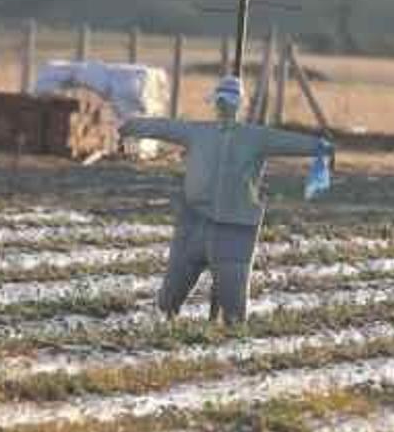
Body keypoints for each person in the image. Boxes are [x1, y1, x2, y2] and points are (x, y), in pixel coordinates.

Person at [119, 75, 333, 324]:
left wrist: (132, 125)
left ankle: (217, 332)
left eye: (224, 102)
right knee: (174, 290)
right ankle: (177, 322)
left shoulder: (230, 135)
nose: (223, 107)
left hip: (231, 227)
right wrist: (320, 145)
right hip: (201, 221)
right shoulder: (224, 134)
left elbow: (165, 127)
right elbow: (164, 127)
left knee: (227, 296)